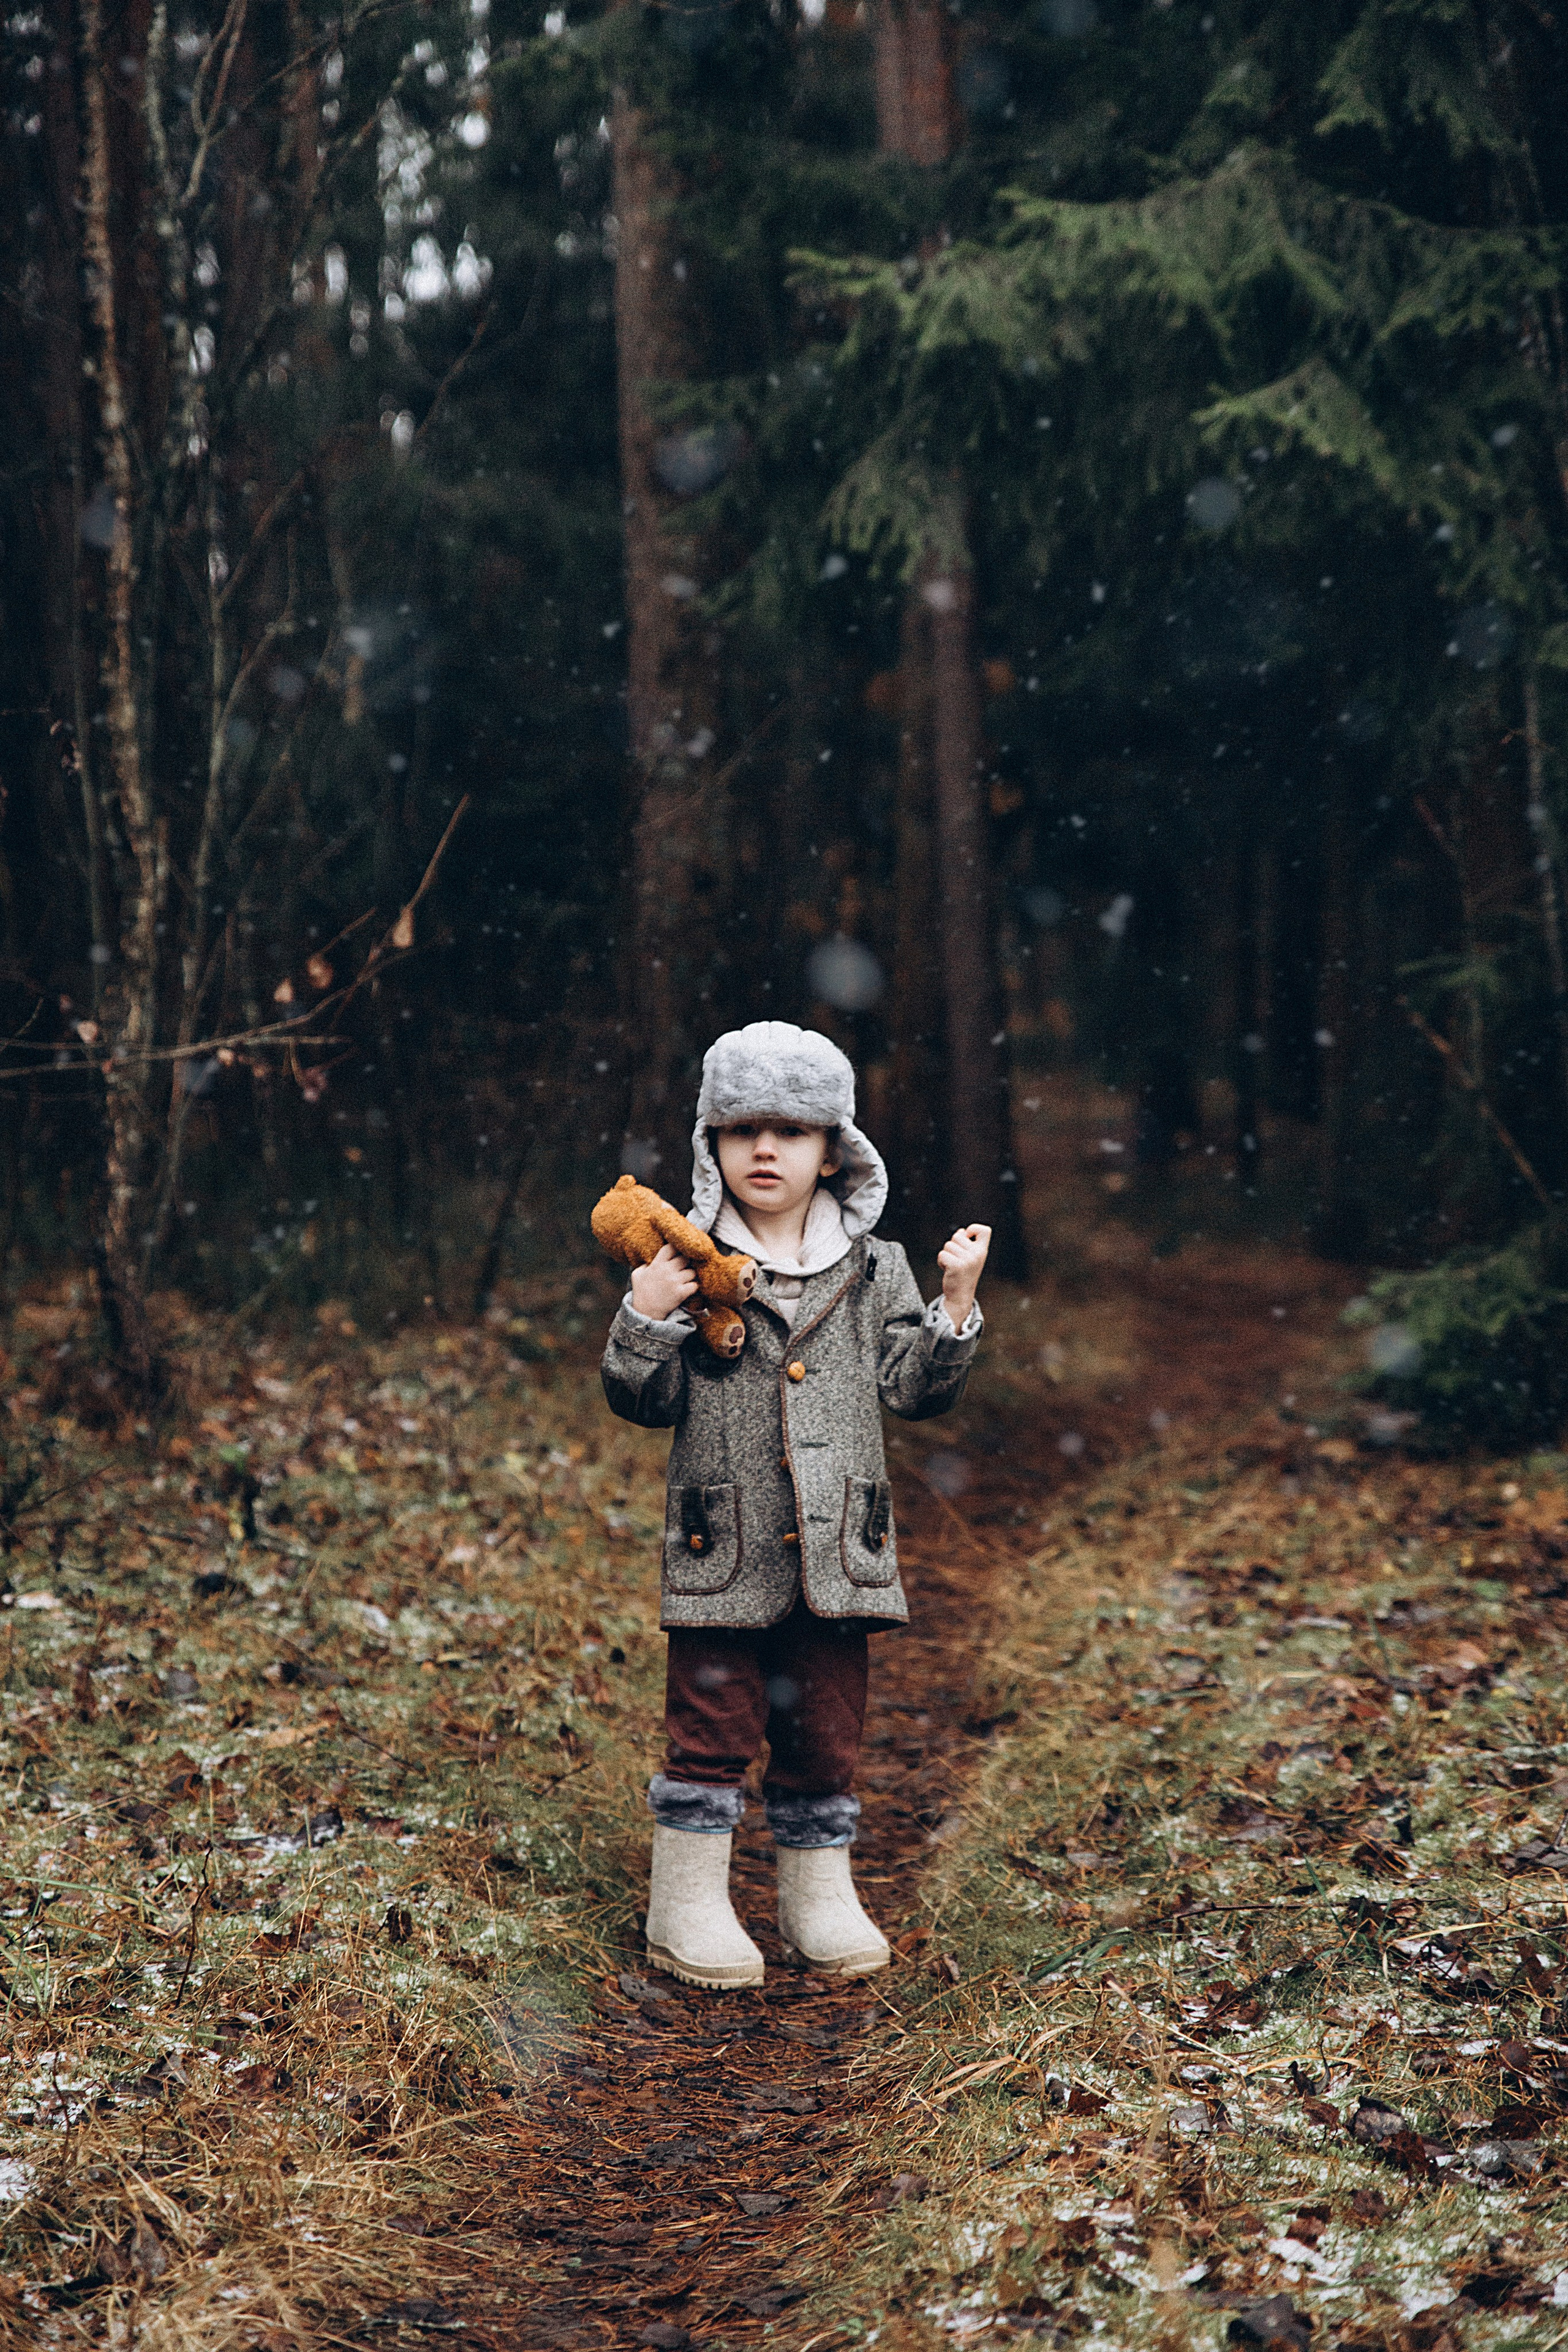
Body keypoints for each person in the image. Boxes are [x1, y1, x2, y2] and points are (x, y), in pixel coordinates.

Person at [600, 1020, 989, 1988]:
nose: (765, 1150)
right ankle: (685, 1904)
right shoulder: (685, 1267)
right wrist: (646, 1317)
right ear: (712, 1146)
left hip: (837, 1550)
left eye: (791, 1132)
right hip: (720, 1542)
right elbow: (641, 1403)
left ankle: (818, 1897)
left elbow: (915, 1388)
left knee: (824, 1729)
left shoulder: (874, 1268)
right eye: (741, 1131)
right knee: (711, 1724)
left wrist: (953, 1308)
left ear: (835, 1151)